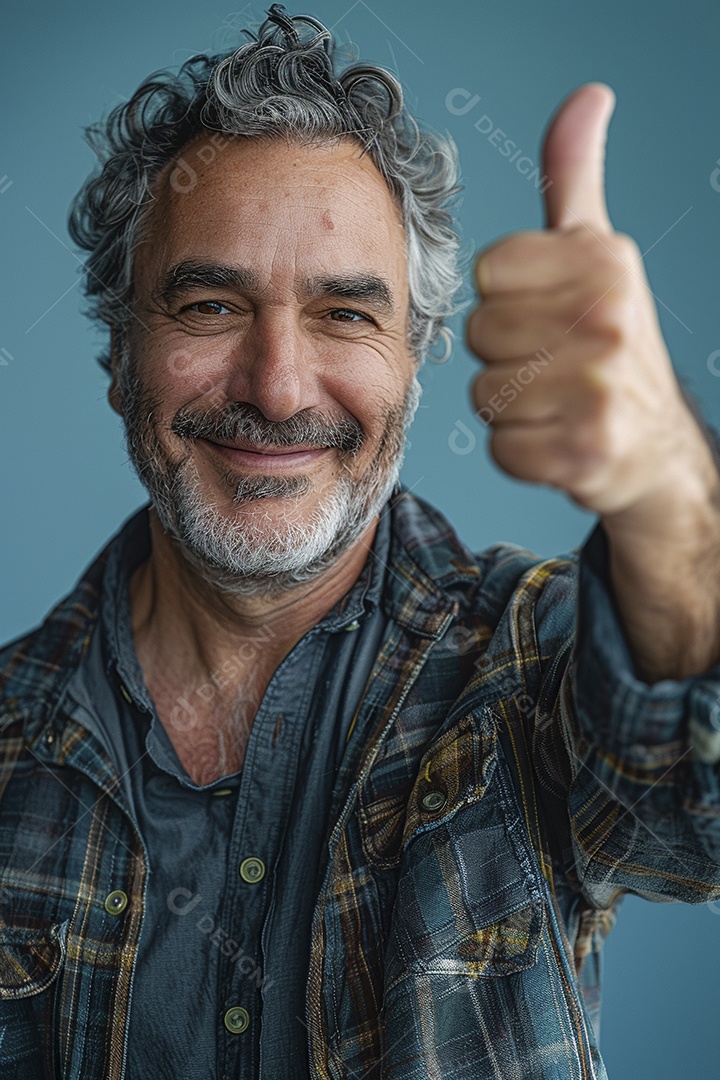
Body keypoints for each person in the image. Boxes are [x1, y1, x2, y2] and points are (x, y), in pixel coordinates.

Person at [1, 5, 719, 1078]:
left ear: (416, 360)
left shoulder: (525, 664)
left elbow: (693, 815)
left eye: (346, 314)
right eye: (208, 303)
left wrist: (669, 496)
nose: (278, 387)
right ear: (121, 351)